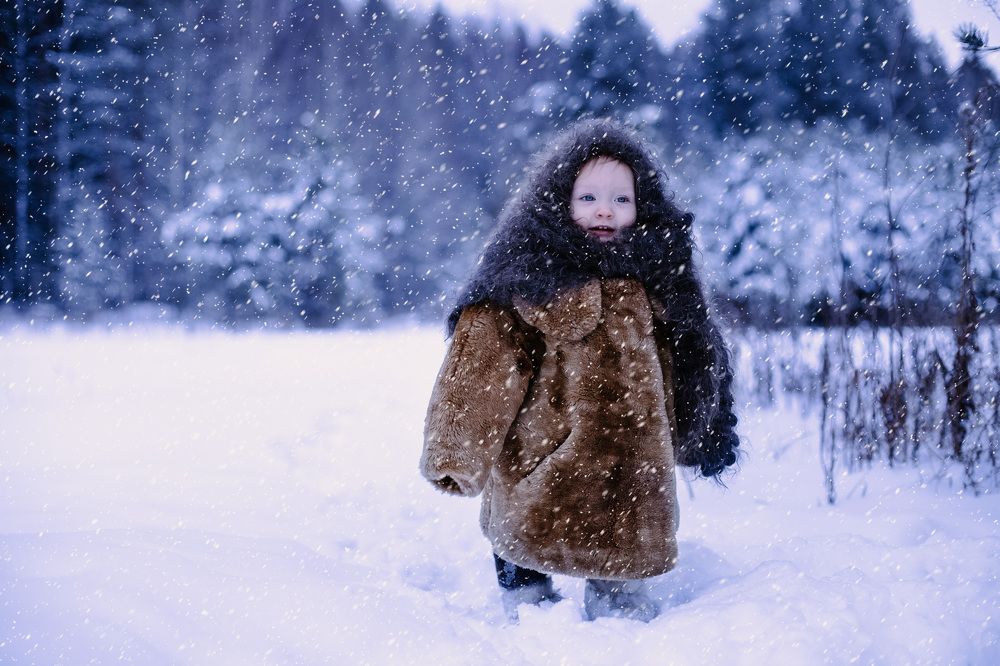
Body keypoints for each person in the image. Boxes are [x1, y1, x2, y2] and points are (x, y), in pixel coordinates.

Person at [419, 118, 741, 623]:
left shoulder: (660, 277)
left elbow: (695, 356)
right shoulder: (528, 272)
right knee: (523, 529)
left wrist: (705, 428)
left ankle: (617, 597)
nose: (606, 210)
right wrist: (456, 449)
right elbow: (480, 368)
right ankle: (525, 597)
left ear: (644, 206)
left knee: (623, 532)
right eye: (588, 197)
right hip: (541, 452)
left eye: (622, 199)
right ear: (559, 199)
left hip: (632, 462)